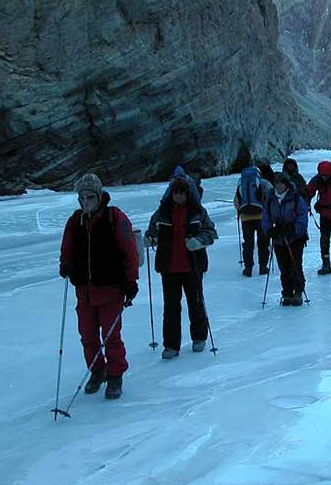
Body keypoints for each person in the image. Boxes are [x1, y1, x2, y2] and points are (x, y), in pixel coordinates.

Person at [59, 173, 139, 400]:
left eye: (90, 196)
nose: (86, 201)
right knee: (87, 335)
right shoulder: (75, 221)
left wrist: (130, 281)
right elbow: (66, 248)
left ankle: (115, 375)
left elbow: (129, 251)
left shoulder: (115, 217)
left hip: (111, 288)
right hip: (84, 289)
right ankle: (97, 370)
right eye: (82, 197)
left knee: (111, 336)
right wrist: (65, 265)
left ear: (99, 195)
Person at [145, 167, 217, 359]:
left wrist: (198, 242)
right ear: (171, 193)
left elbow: (211, 232)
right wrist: (150, 239)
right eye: (175, 192)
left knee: (195, 302)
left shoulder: (198, 212)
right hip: (169, 267)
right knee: (170, 307)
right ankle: (171, 345)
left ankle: (199, 337)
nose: (178, 195)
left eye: (182, 192)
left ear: (187, 193)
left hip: (192, 265)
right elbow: (152, 231)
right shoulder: (162, 213)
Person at [262, 172, 309, 306]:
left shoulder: (295, 198)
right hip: (279, 238)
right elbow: (265, 217)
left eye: (282, 183)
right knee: (284, 267)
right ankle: (287, 292)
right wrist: (269, 230)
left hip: (295, 238)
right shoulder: (270, 198)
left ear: (286, 184)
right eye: (277, 183)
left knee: (295, 264)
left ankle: (298, 291)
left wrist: (294, 229)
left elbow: (302, 216)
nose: (279, 186)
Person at [234, 165, 273, 277]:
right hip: (262, 217)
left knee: (248, 243)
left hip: (246, 218)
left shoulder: (241, 184)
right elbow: (271, 198)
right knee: (263, 243)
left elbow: (236, 203)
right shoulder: (264, 183)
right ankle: (263, 267)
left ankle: (248, 268)